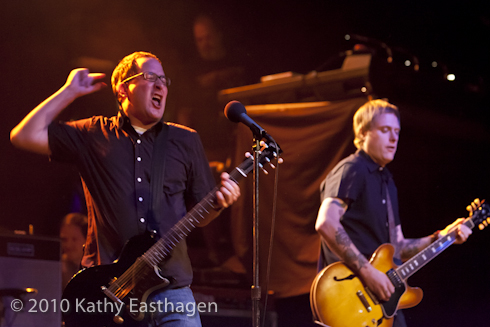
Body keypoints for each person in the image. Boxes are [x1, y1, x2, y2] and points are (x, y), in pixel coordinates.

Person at [10, 51, 240, 326]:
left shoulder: (185, 140)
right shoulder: (94, 134)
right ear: (123, 90)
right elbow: (24, 135)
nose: (160, 85)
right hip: (109, 294)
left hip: (172, 293)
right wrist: (69, 91)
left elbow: (202, 216)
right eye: (149, 77)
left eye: (163, 80)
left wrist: (219, 202)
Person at [314, 99, 472, 327]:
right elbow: (326, 223)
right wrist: (370, 274)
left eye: (396, 131)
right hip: (351, 297)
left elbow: (398, 247)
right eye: (385, 130)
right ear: (364, 133)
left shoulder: (386, 180)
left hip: (383, 302)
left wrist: (442, 237)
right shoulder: (352, 169)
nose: (393, 138)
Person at [60, 212, 88, 289]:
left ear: (87, 240)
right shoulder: (57, 269)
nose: (68, 245)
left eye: (74, 239)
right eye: (64, 239)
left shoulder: (95, 269)